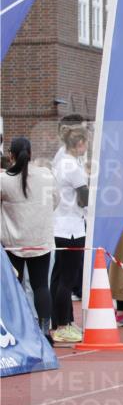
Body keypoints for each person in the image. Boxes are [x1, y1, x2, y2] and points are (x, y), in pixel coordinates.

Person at [0, 136, 58, 344]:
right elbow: (56, 200)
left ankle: (16, 329)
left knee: (13, 288)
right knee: (41, 285)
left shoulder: (5, 179)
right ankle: (44, 331)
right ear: (31, 153)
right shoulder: (46, 175)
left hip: (13, 241)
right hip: (40, 239)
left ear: (11, 155)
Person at [50, 126, 89, 343]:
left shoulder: (60, 158)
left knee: (58, 275)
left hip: (58, 223)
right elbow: (83, 195)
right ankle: (63, 325)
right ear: (79, 144)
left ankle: (60, 321)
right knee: (68, 277)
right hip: (72, 226)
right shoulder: (73, 167)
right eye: (85, 142)